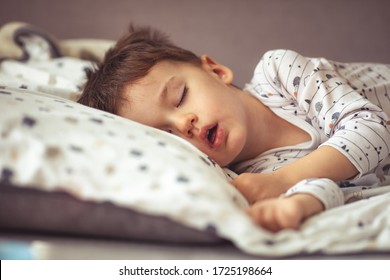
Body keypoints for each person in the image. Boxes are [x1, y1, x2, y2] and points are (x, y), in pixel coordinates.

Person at [78, 25, 390, 232]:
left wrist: (282, 181)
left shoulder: (280, 74)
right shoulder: (251, 174)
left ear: (216, 71)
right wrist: (299, 203)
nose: (183, 125)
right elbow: (350, 187)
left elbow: (372, 129)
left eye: (180, 97)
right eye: (167, 134)